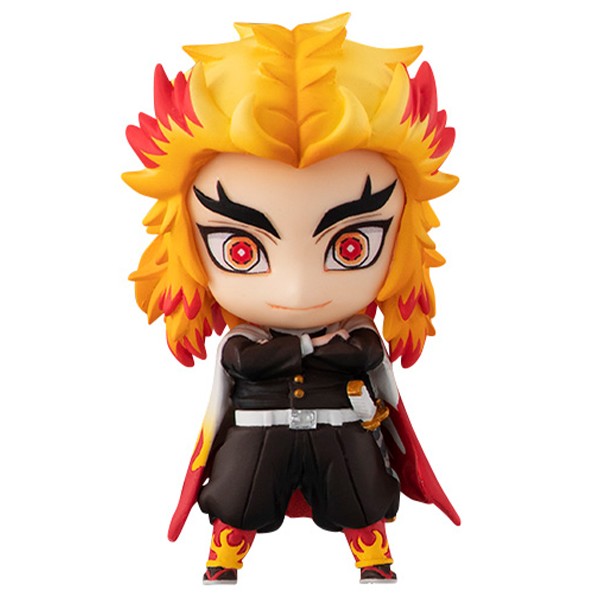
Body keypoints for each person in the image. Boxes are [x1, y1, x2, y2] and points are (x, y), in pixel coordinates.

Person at [123, 13, 459, 585]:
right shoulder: (244, 345)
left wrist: (320, 350)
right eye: (241, 250)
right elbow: (244, 362)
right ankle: (224, 560)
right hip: (258, 437)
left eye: (351, 246)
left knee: (361, 496)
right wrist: (310, 348)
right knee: (238, 498)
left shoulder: (360, 342)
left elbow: (363, 356)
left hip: (342, 436)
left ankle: (373, 559)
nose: (296, 290)